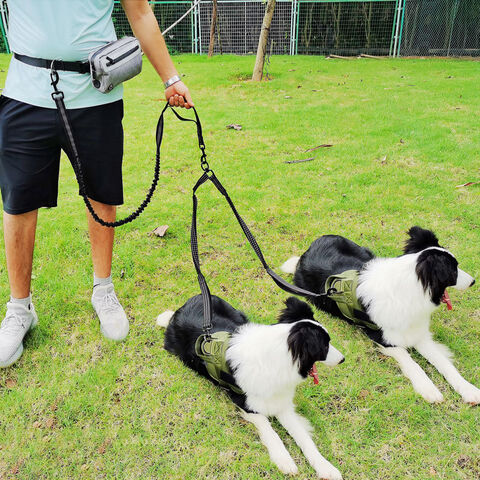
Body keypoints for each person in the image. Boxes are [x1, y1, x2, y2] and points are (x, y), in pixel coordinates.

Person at [0, 0, 194, 368]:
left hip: (96, 94)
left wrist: (171, 78)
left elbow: (139, 11)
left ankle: (103, 290)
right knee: (18, 203)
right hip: (25, 91)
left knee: (102, 195)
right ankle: (19, 309)